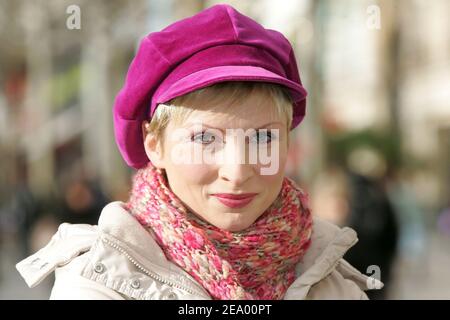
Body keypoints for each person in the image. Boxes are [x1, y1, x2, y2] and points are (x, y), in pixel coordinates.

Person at [16, 4, 381, 300]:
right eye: (205, 139)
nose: (237, 171)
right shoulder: (99, 284)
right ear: (153, 144)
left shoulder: (335, 282)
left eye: (263, 138)